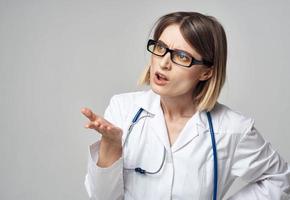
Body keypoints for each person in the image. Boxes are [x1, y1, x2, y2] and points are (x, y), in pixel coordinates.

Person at [81, 11, 290, 200]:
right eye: (161, 48)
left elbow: (280, 179)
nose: (163, 63)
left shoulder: (233, 129)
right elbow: (102, 197)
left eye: (182, 56)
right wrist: (111, 146)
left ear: (206, 72)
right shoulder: (123, 109)